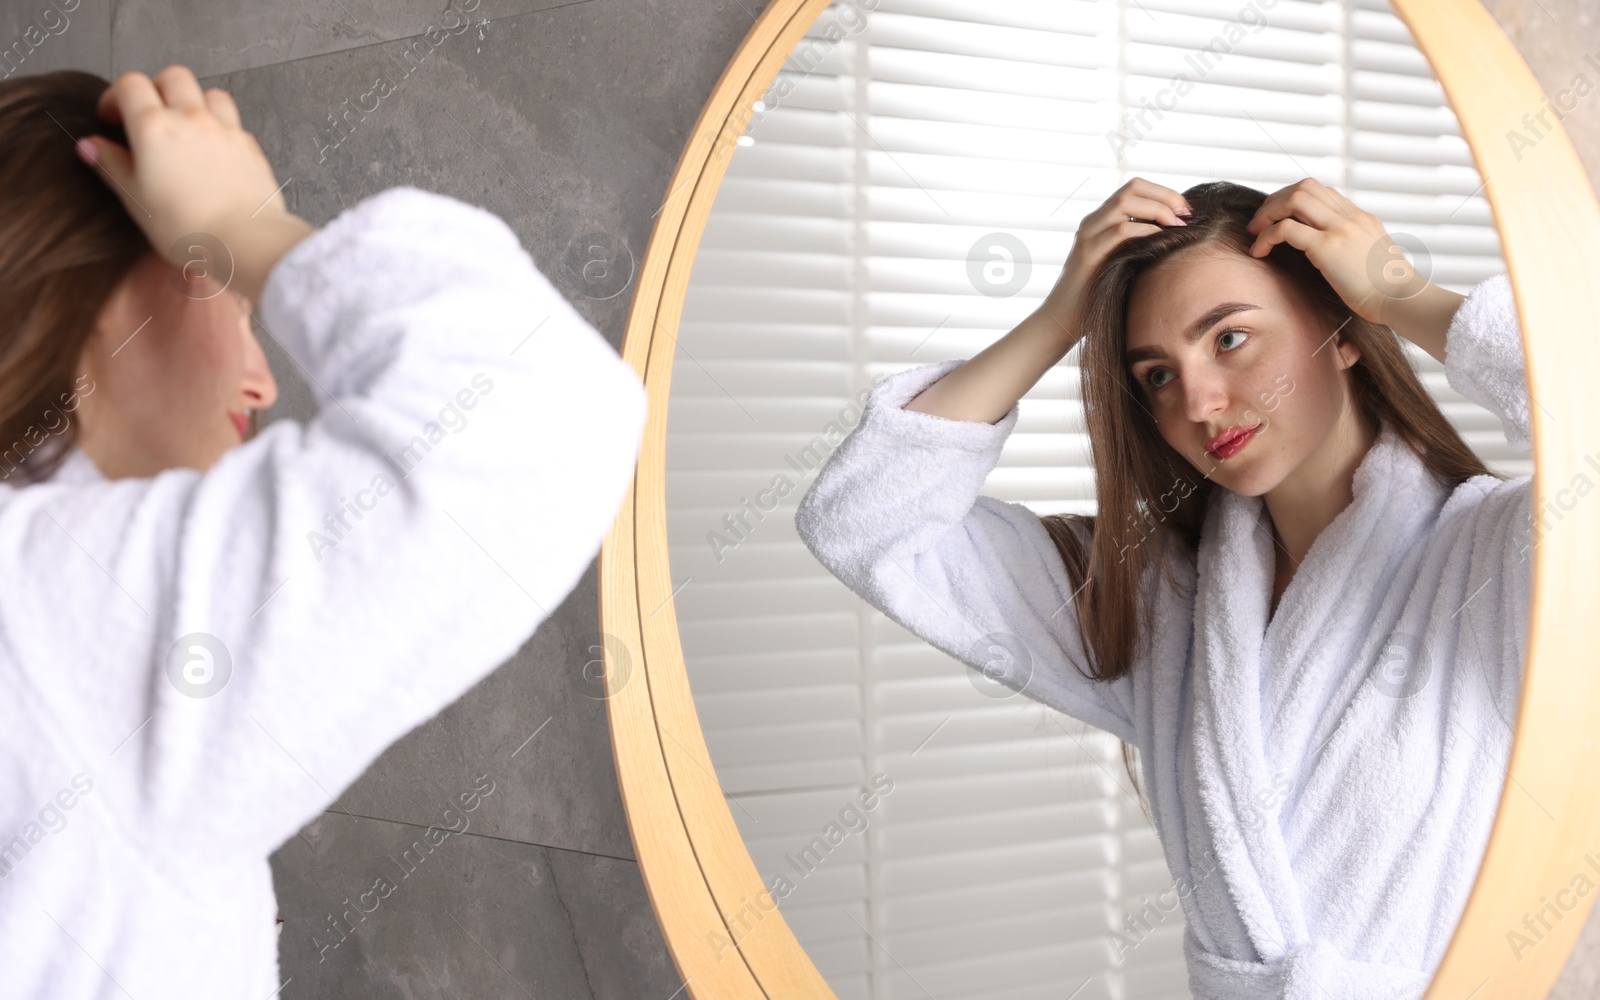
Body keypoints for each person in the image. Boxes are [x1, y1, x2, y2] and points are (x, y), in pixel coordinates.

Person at [795, 176, 1535, 999]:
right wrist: (1058, 323)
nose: (1200, 403)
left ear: (1342, 327)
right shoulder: (1157, 602)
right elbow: (862, 521)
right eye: (1155, 375)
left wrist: (1405, 293)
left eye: (1229, 339)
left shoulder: (1498, 554)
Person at [0, 67, 649, 996]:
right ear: (84, 282)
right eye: (223, 291)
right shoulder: (46, 621)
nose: (263, 385)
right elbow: (537, 415)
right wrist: (242, 225)